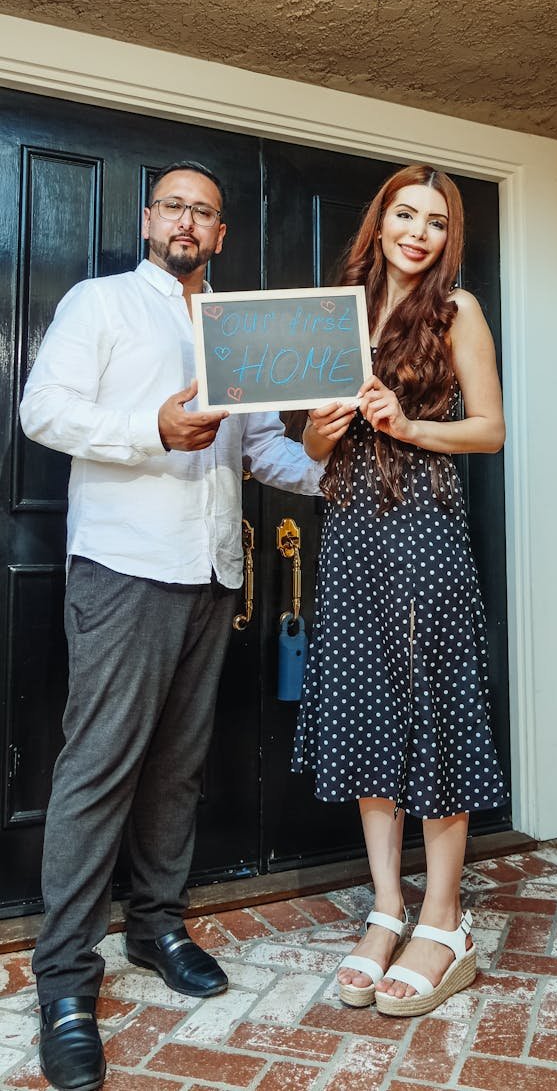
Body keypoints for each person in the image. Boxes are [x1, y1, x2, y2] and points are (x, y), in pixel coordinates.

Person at [20, 161, 322, 1091]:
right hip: (122, 567)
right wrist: (149, 429)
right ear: (150, 219)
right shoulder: (100, 304)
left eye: (206, 212)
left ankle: (156, 926)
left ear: (221, 235)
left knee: (178, 769)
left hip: (211, 574)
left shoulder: (241, 331)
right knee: (99, 765)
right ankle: (66, 982)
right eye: (175, 206)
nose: (189, 222)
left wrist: (326, 459)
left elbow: (263, 444)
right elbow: (42, 411)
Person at [292, 163, 507, 1018]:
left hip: (424, 532)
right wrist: (315, 431)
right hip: (349, 537)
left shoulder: (458, 312)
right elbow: (313, 455)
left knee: (432, 709)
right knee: (367, 709)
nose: (419, 231)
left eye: (437, 221)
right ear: (379, 223)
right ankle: (388, 905)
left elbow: (490, 430)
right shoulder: (335, 307)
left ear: (449, 237)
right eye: (404, 214)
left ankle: (446, 920)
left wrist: (407, 423)